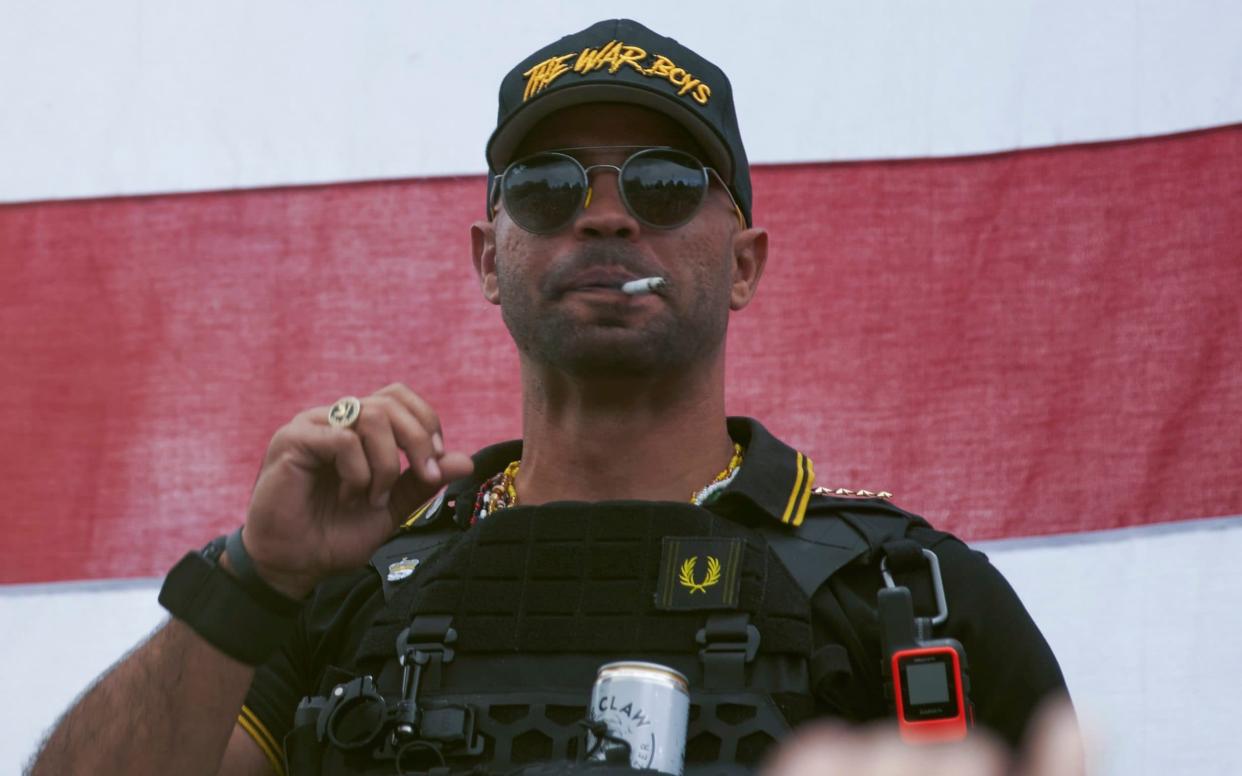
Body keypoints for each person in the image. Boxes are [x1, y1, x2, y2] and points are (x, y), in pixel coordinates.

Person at [29, 18, 1068, 776]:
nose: (606, 217)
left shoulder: (913, 596)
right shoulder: (353, 590)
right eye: (548, 186)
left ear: (745, 263)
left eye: (662, 184)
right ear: (491, 256)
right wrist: (256, 577)